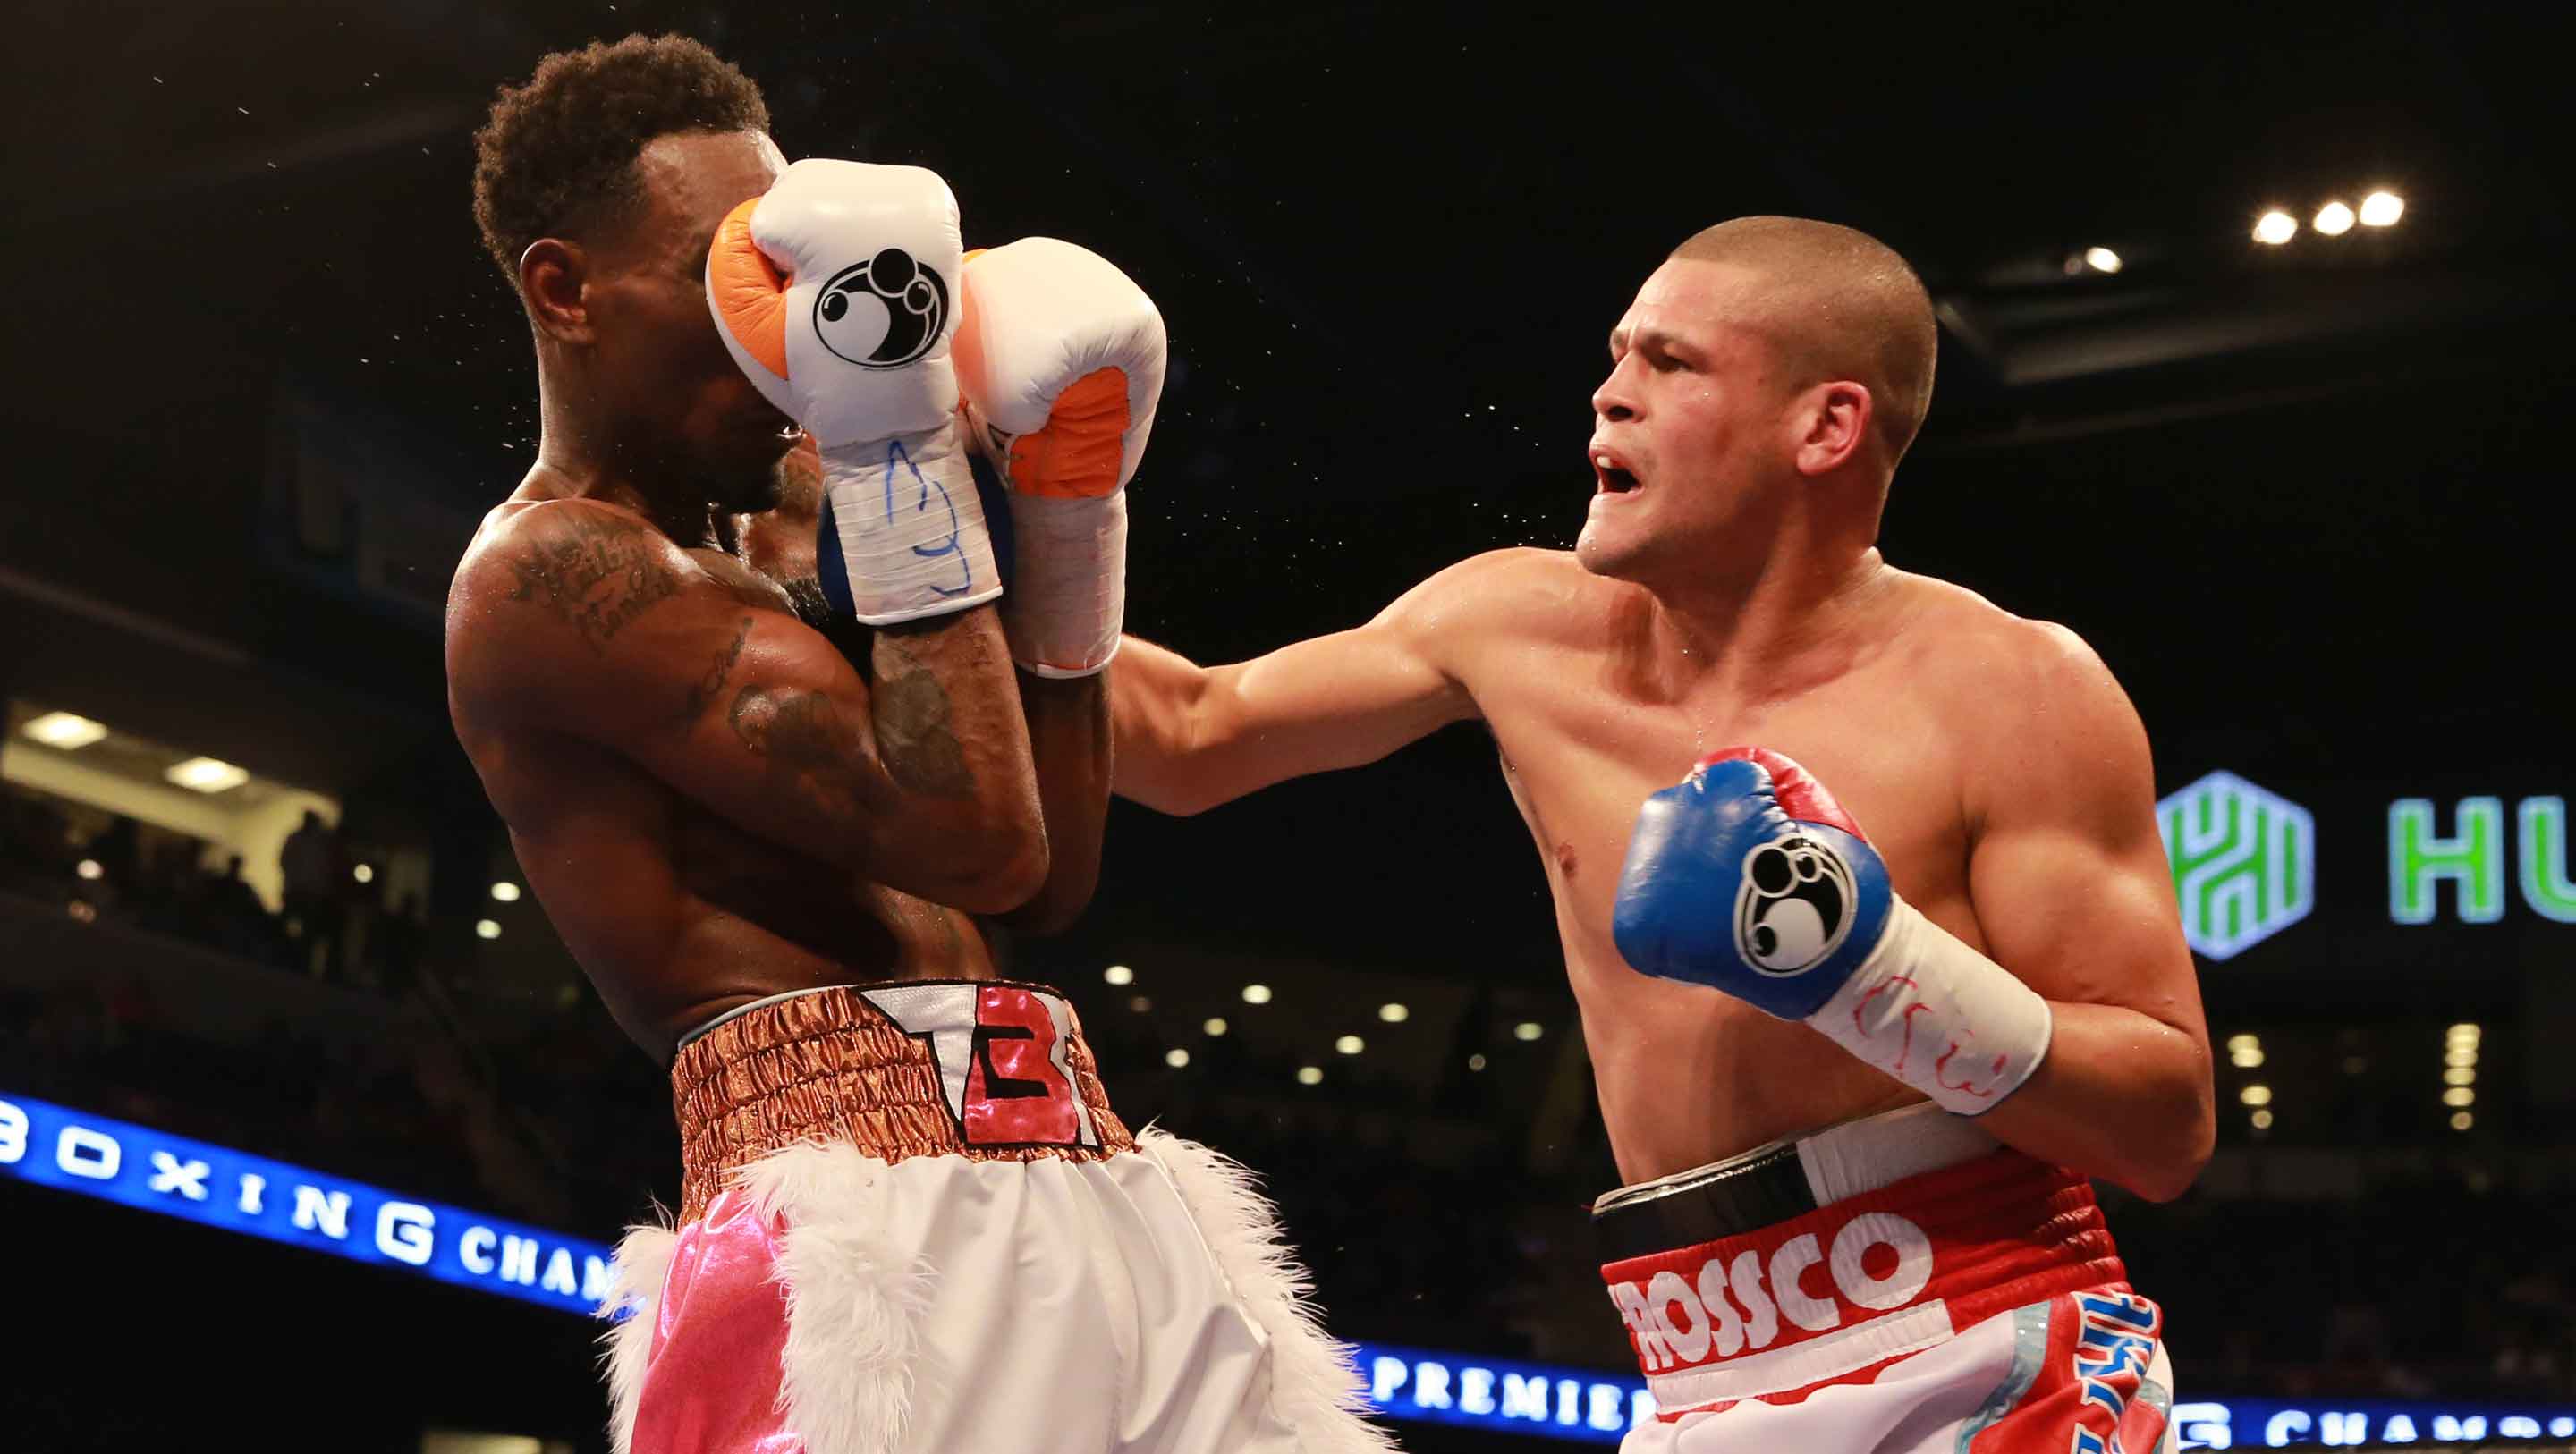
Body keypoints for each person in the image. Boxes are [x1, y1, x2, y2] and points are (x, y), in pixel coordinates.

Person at [1112, 217, 2215, 1452]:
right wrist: (963, 536)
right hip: (1700, 1379)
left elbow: (2165, 1128)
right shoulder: (1514, 626)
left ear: (1826, 426)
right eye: (1616, 353)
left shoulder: (2014, 688)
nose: (1608, 391)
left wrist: (1873, 970)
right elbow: (1190, 733)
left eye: (1670, 363)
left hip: (1992, 1348)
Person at [445, 35, 1386, 1454]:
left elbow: (1045, 876)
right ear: (566, 290)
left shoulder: (803, 511)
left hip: (1083, 1173)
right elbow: (977, 833)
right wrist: (899, 448)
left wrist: (1069, 513)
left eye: (778, 272)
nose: (778, 325)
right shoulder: (546, 580)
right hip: (854, 1247)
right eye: (718, 274)